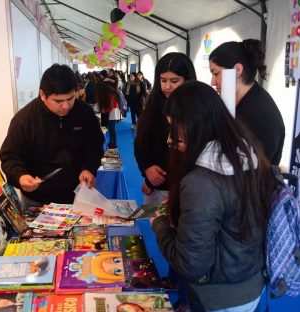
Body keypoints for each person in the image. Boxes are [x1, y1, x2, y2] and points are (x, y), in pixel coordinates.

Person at [152, 81, 276, 312]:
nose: (175, 143)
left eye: (177, 134)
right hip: (251, 283)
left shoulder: (202, 182)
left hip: (218, 297)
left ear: (193, 127)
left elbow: (191, 264)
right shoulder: (247, 155)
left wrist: (159, 225)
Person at [0, 64, 104, 211]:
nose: (66, 106)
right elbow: (10, 156)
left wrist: (88, 168)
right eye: (58, 101)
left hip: (78, 195)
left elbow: (95, 145)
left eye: (70, 98)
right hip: (37, 200)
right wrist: (20, 177)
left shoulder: (84, 112)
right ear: (43, 94)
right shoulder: (25, 119)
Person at [209, 39, 285, 166]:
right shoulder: (235, 102)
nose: (212, 82)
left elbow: (250, 169)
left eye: (216, 73)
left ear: (237, 70)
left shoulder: (263, 116)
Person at [134, 52, 196, 205]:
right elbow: (140, 142)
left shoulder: (197, 109)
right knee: (158, 226)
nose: (168, 87)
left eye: (174, 81)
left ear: (187, 80)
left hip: (188, 189)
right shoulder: (153, 107)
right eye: (163, 80)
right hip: (156, 187)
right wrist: (147, 168)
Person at [96, 82, 120, 149]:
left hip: (114, 111)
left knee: (112, 128)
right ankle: (111, 142)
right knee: (110, 127)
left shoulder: (111, 93)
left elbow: (111, 106)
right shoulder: (109, 92)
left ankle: (114, 143)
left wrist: (104, 111)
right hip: (112, 111)